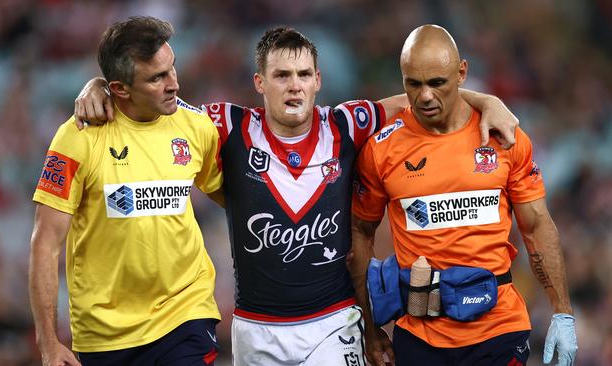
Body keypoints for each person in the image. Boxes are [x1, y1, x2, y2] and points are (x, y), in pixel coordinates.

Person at [74, 26, 519, 365]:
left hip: (333, 322)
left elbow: (419, 98)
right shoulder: (225, 126)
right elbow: (153, 99)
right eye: (282, 75)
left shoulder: (347, 124)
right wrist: (98, 87)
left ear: (318, 80)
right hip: (256, 328)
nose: (294, 85)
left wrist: (485, 100)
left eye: (304, 74)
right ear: (259, 83)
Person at [349, 24, 578, 366]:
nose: (425, 95)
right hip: (420, 335)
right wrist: (369, 327)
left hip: (499, 330)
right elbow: (360, 234)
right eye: (413, 83)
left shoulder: (505, 138)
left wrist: (562, 312)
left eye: (437, 83)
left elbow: (536, 225)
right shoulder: (381, 148)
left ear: (462, 72)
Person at [29, 16, 222, 366]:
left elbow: (235, 195)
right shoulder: (78, 137)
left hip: (184, 315)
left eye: (172, 68)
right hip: (104, 334)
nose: (174, 84)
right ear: (119, 88)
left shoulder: (196, 127)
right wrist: (48, 342)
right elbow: (45, 242)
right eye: (157, 78)